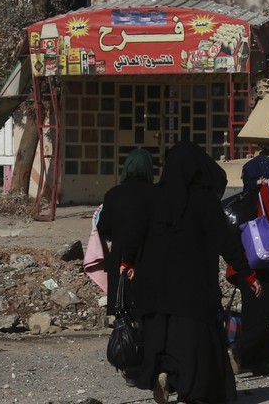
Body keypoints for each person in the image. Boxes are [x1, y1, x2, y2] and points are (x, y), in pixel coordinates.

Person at [130, 141, 260, 404]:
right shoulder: (203, 199)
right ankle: (192, 394)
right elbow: (225, 241)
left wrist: (127, 265)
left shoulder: (153, 197)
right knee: (192, 344)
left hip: (152, 286)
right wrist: (247, 273)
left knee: (162, 337)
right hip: (191, 286)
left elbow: (135, 237)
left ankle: (163, 373)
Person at [226, 154, 269, 376]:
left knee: (253, 315)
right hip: (265, 261)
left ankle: (260, 362)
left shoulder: (244, 196)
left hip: (242, 265)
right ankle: (239, 348)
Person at [95, 148, 155, 385]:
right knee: (148, 314)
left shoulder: (113, 195)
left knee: (124, 313)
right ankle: (149, 363)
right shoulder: (156, 193)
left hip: (120, 261)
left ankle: (129, 365)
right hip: (147, 260)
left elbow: (103, 228)